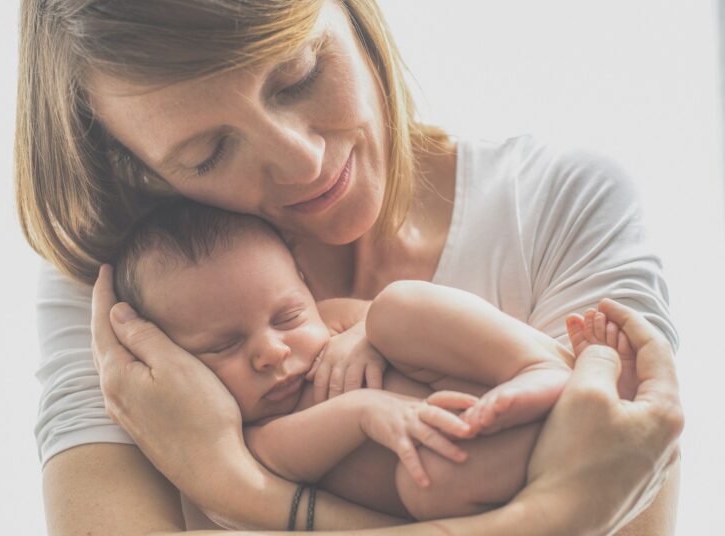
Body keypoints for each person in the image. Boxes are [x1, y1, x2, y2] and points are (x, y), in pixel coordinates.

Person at [17, 0, 682, 533]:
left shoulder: (554, 206)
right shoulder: (133, 294)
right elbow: (589, 494)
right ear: (136, 167)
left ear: (350, 0)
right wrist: (555, 513)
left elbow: (625, 484)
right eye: (208, 154)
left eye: (301, 74)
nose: (302, 159)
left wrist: (238, 487)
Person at [111, 199, 582, 519]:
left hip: (483, 386)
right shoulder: (246, 437)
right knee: (429, 484)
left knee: (396, 309)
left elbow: (401, 327)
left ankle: (536, 367)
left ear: (305, 285)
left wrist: (364, 335)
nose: (272, 351)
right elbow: (282, 459)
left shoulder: (332, 319)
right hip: (472, 456)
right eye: (223, 346)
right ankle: (551, 431)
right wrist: (363, 411)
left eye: (289, 315)